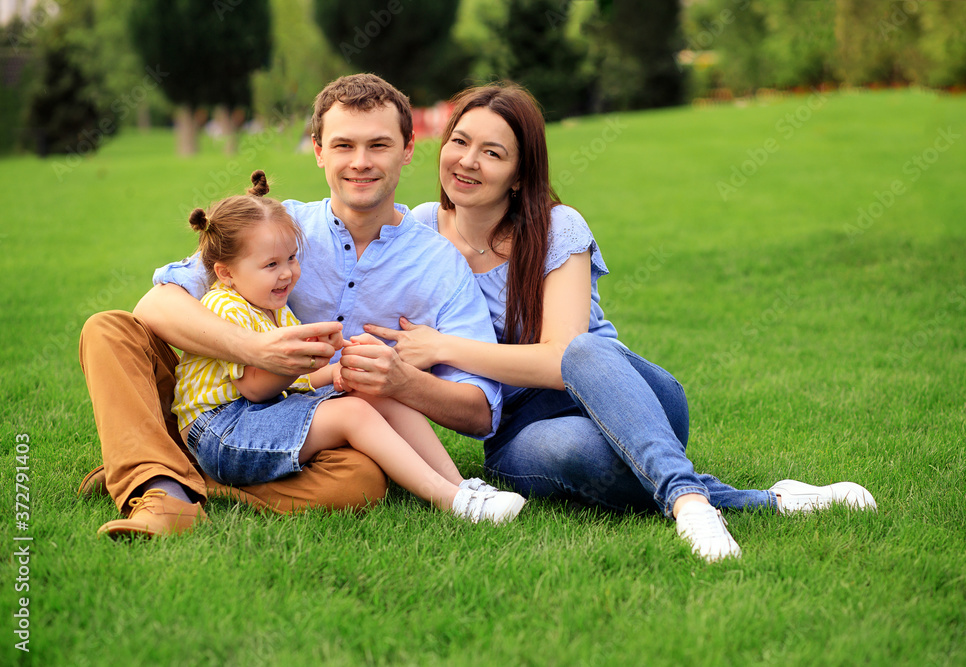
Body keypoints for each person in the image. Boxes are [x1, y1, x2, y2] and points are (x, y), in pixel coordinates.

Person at [362, 82, 878, 562]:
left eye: (493, 152)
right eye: (460, 141)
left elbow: (561, 359)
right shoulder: (419, 230)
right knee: (582, 454)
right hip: (522, 433)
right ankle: (747, 501)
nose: (467, 162)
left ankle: (689, 502)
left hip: (627, 390)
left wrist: (442, 348)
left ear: (520, 173)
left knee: (580, 351)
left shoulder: (557, 227)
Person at [78, 74, 506, 538]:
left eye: (378, 145)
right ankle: (161, 491)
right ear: (319, 150)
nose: (360, 163)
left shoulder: (439, 262)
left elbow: (482, 411)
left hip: (309, 421)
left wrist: (404, 383)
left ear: (407, 149)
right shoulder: (278, 227)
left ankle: (172, 469)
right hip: (219, 401)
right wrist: (253, 350)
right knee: (110, 330)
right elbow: (156, 304)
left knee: (360, 481)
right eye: (343, 145)